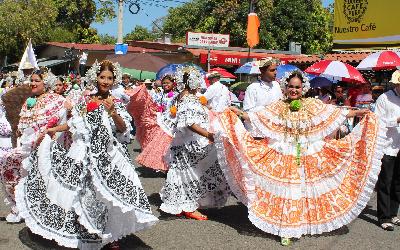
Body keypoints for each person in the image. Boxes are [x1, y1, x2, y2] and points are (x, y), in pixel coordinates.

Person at [214, 70, 384, 246]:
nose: (294, 90)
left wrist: (358, 113)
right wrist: (238, 112)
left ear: (303, 88)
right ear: (285, 87)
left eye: (297, 87)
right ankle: (286, 229)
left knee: (303, 191)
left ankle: (299, 225)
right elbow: (258, 117)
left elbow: (334, 113)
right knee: (287, 191)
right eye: (291, 87)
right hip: (283, 154)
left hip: (307, 154)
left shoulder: (312, 104)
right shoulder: (278, 106)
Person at [15, 60, 158, 249]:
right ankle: (88, 231)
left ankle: (107, 235)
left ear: (114, 80)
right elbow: (74, 123)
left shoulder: (115, 102)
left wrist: (113, 112)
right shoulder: (85, 100)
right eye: (102, 77)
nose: (105, 81)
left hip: (107, 155)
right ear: (95, 78)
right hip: (83, 153)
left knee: (104, 196)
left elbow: (124, 129)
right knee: (83, 193)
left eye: (109, 78)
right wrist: (54, 129)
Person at [159, 65, 229, 220]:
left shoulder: (187, 96)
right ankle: (189, 205)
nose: (199, 83)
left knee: (184, 174)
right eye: (196, 79)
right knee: (198, 171)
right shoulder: (186, 98)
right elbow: (188, 122)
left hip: (186, 142)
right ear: (189, 82)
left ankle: (182, 204)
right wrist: (208, 135)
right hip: (191, 143)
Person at [0, 69, 64, 223]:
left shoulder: (56, 100)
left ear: (46, 83)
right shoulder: (28, 101)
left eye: (37, 80)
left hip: (47, 147)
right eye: (32, 80)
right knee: (8, 164)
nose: (33, 83)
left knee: (41, 179)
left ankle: (40, 213)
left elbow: (63, 121)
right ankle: (19, 206)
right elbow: (22, 123)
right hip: (27, 146)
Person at [374, 70, 400, 231]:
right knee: (386, 182)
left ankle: (393, 213)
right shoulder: (385, 98)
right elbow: (377, 121)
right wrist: (396, 120)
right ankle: (384, 216)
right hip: (388, 146)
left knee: (398, 182)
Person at [243, 58, 283, 136]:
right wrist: (266, 111)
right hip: (258, 133)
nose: (275, 73)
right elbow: (248, 112)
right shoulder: (253, 88)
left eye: (276, 70)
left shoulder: (276, 85)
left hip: (275, 130)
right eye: (272, 70)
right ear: (262, 71)